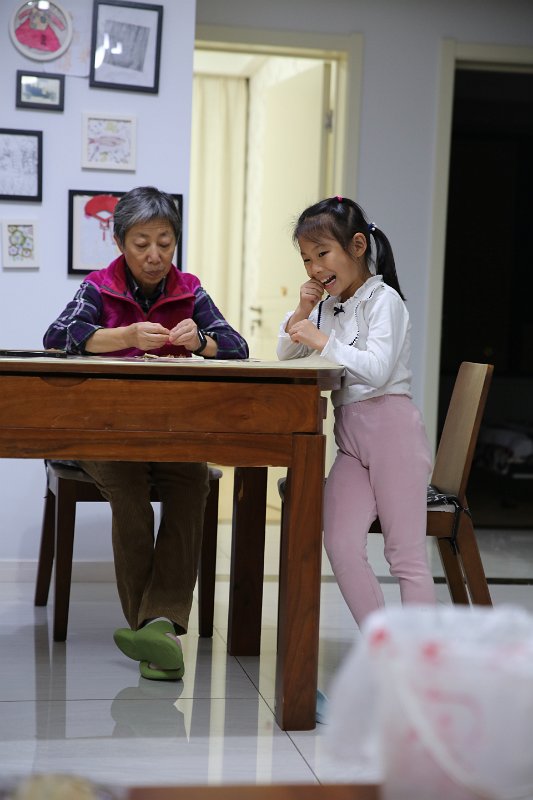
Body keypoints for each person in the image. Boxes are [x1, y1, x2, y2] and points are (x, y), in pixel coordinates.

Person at [44, 186, 249, 681]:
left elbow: (237, 346)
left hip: (171, 430)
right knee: (129, 487)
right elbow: (57, 337)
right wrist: (127, 336)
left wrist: (202, 341)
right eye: (141, 244)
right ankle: (155, 628)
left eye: (165, 242)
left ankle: (156, 627)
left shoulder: (189, 289)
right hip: (103, 429)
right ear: (119, 243)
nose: (155, 255)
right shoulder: (99, 287)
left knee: (192, 482)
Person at [277, 196, 436, 631]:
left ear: (358, 246)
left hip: (393, 435)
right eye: (306, 259)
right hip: (351, 441)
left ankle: (423, 657)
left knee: (404, 555)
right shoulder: (326, 307)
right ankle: (384, 646)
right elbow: (286, 353)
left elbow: (378, 370)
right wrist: (303, 311)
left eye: (322, 254)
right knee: (341, 544)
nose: (314, 268)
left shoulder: (385, 301)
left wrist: (321, 341)